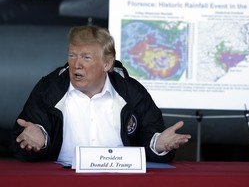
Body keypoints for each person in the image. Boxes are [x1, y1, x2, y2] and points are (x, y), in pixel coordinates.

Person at [10, 25, 191, 165]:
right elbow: (23, 142)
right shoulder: (49, 89)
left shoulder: (132, 92)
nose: (77, 65)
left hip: (120, 181)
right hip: (64, 179)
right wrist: (39, 142)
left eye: (86, 58)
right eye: (72, 55)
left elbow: (150, 137)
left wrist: (157, 144)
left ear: (107, 64)